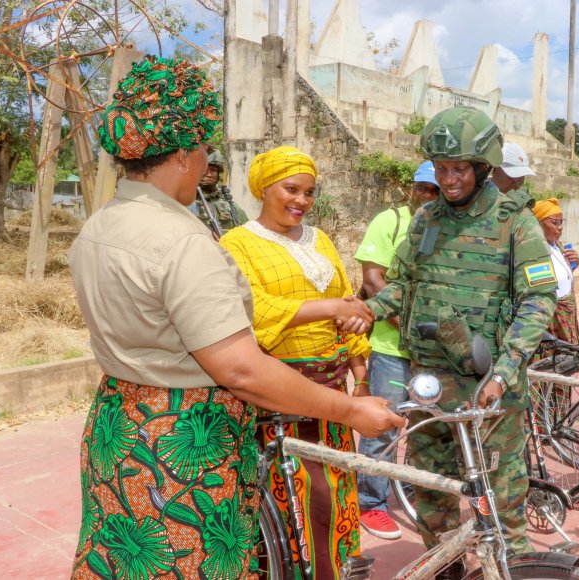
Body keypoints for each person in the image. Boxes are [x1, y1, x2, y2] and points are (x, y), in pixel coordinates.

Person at [68, 56, 402, 579]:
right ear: (182, 156)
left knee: (127, 560)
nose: (206, 163)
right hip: (182, 444)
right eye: (203, 151)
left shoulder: (98, 227)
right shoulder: (182, 241)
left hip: (119, 426)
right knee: (192, 561)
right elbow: (239, 368)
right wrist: (350, 411)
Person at [366, 107, 557, 575]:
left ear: (483, 167)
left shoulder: (516, 221)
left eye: (458, 169)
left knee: (503, 499)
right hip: (428, 381)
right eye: (442, 169)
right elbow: (403, 285)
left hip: (490, 384)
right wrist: (367, 311)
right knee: (434, 493)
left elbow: (539, 300)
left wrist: (507, 370)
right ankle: (446, 568)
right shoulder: (426, 217)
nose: (449, 179)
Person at [219, 145, 379, 579]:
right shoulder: (238, 242)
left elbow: (345, 297)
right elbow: (255, 308)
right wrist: (329, 308)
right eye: (291, 189)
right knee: (297, 491)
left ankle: (339, 569)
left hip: (335, 387)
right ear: (262, 188)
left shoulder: (320, 239)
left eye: (309, 193)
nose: (301, 201)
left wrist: (360, 373)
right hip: (283, 393)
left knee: (339, 485)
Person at [353, 160, 440, 540]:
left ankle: (410, 490)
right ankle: (371, 503)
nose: (428, 196)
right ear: (413, 187)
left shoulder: (446, 228)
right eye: (424, 187)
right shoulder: (389, 221)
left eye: (436, 191)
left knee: (426, 426)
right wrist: (409, 329)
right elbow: (374, 282)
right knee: (383, 425)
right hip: (392, 347)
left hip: (434, 352)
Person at [534, 198, 579, 343]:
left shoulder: (558, 246)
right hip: (551, 322)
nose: (560, 227)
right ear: (538, 223)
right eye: (554, 222)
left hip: (566, 318)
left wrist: (573, 263)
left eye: (561, 222)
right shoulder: (535, 251)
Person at [190, 149, 248, 237]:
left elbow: (247, 233)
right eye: (205, 169)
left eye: (213, 170)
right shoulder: (186, 202)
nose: (209, 174)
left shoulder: (230, 206)